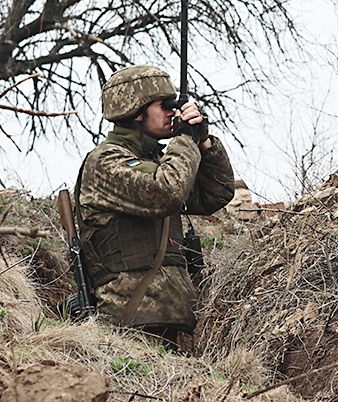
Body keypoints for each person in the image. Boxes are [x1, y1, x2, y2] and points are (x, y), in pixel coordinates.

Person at [74, 65, 235, 343]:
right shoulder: (104, 162)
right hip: (125, 326)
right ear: (135, 111)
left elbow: (216, 193)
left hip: (172, 323)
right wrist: (185, 140)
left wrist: (204, 141)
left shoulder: (159, 163)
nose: (173, 112)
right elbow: (166, 192)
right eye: (165, 105)